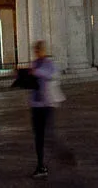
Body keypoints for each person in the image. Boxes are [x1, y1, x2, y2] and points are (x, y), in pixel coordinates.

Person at [28, 41, 66, 180]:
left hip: (46, 104)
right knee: (39, 136)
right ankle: (40, 165)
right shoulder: (35, 63)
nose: (37, 52)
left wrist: (35, 72)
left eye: (38, 50)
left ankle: (59, 154)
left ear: (43, 50)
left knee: (46, 135)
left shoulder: (49, 63)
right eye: (35, 50)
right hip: (36, 104)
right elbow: (33, 81)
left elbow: (51, 75)